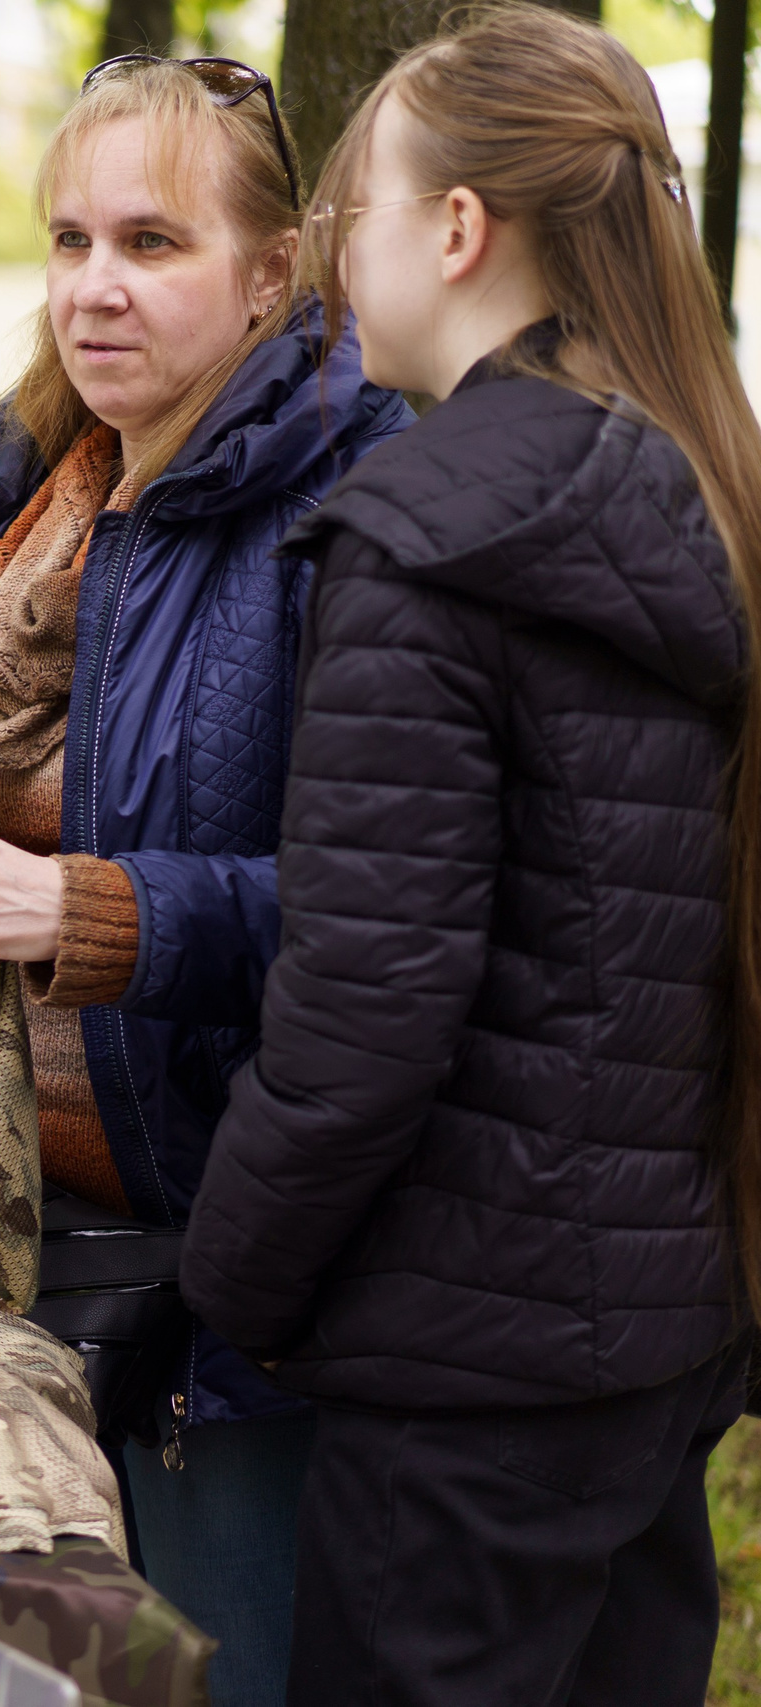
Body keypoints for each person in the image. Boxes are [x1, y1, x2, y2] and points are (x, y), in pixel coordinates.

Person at [0, 57, 409, 1703]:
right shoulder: (18, 488)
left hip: (226, 1282)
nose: (96, 285)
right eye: (70, 240)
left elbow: (397, 916)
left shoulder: (351, 505)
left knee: (217, 1675)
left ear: (272, 270)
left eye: (153, 242)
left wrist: (96, 911)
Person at [177, 10, 757, 1702]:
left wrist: (225, 1288)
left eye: (351, 211)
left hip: (466, 1377)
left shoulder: (424, 540)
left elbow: (362, 1019)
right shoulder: (701, 496)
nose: (332, 257)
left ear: (456, 229)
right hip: (661, 1342)